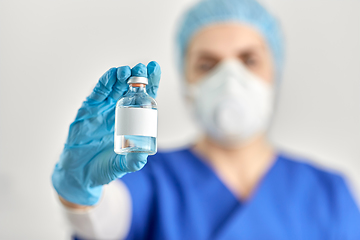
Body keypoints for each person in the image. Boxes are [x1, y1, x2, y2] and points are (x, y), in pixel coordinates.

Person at [52, 0, 360, 239]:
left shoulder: (329, 194)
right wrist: (79, 195)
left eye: (249, 60)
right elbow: (106, 221)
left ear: (274, 71)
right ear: (186, 82)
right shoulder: (145, 173)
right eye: (207, 64)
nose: (230, 79)